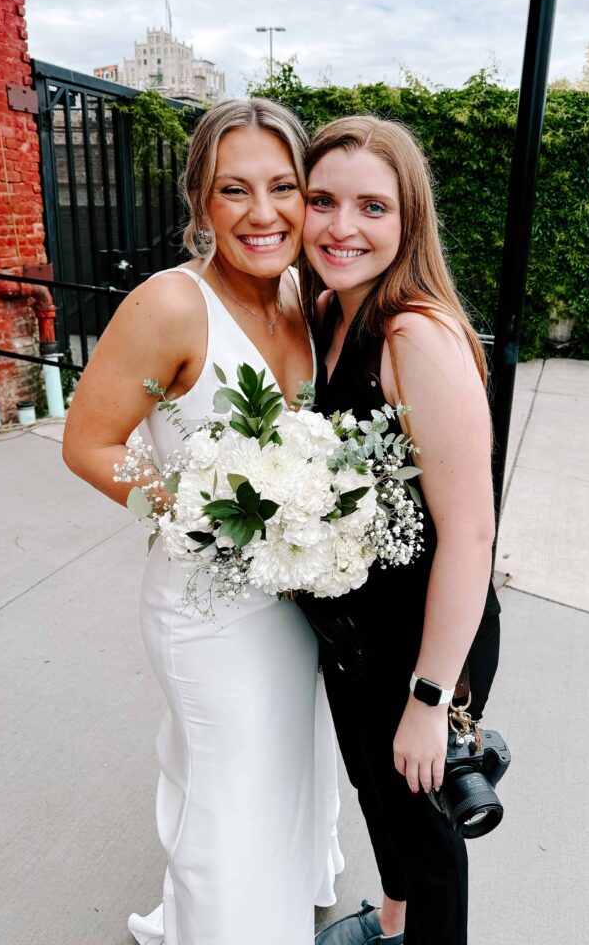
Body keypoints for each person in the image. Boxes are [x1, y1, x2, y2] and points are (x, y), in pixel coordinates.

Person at [62, 98, 342, 945]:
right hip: (208, 609)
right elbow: (88, 442)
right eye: (234, 191)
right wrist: (200, 514)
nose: (263, 214)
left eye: (283, 187)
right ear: (201, 203)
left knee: (283, 773)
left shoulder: (302, 291)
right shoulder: (170, 306)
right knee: (231, 797)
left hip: (296, 601)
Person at [298, 116, 501, 945]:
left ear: (409, 220)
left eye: (372, 207)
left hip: (424, 642)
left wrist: (429, 699)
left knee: (428, 836)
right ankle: (387, 926)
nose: (343, 227)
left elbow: (473, 536)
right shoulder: (326, 310)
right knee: (375, 794)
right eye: (323, 200)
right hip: (353, 631)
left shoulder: (413, 333)